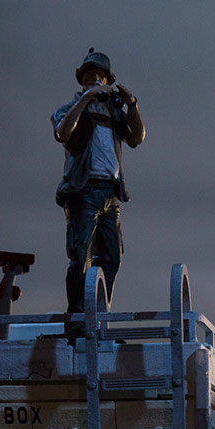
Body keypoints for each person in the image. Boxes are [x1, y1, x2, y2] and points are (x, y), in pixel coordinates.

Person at [52, 49, 145, 336]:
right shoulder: (70, 108)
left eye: (101, 76)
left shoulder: (114, 112)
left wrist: (132, 104)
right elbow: (62, 132)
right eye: (90, 75)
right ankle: (78, 319)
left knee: (112, 257)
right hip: (83, 189)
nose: (96, 79)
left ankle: (100, 318)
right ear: (82, 80)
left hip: (110, 191)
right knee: (81, 256)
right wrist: (85, 100)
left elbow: (137, 137)